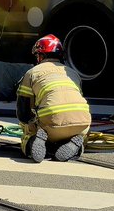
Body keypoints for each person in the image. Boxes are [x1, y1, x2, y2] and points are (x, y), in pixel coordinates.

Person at [17, 35, 91, 163]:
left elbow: (23, 113)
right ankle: (76, 144)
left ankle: (32, 142)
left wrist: (32, 126)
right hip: (82, 122)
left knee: (28, 130)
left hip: (51, 122)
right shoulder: (73, 73)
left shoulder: (32, 73)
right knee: (79, 135)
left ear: (41, 55)